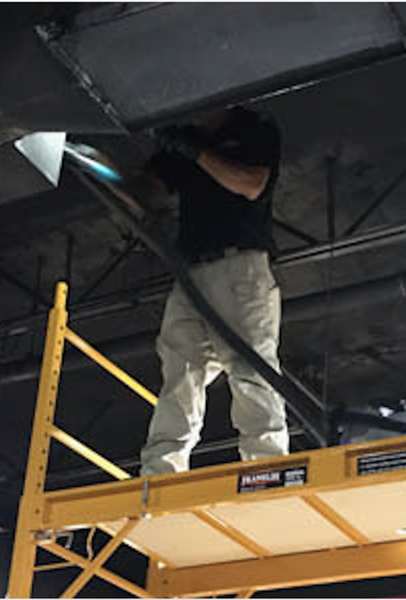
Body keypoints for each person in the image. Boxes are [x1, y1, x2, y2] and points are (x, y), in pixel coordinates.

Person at [138, 106, 289, 475]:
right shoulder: (188, 144)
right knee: (180, 368)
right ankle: (161, 473)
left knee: (249, 365)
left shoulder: (254, 129)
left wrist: (194, 150)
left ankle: (267, 468)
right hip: (190, 271)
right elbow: (144, 192)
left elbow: (251, 185)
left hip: (239, 265)